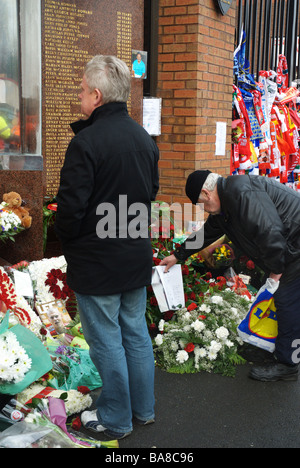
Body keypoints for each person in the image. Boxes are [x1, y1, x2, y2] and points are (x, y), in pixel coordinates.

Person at [55, 55, 159, 439]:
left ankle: (116, 417)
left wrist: (73, 245)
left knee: (106, 341)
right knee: (134, 331)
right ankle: (142, 408)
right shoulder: (143, 139)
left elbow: (70, 209)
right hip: (134, 255)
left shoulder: (86, 142)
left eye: (82, 92)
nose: (79, 97)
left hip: (98, 262)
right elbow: (149, 194)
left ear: (96, 96)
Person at [160, 170, 300, 382]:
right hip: (286, 247)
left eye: (202, 204)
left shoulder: (241, 193)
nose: (204, 209)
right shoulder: (226, 202)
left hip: (293, 246)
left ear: (207, 194)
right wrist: (177, 255)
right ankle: (275, 348)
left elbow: (270, 231)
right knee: (276, 298)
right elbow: (208, 233)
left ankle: (288, 364)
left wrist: (276, 270)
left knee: (285, 299)